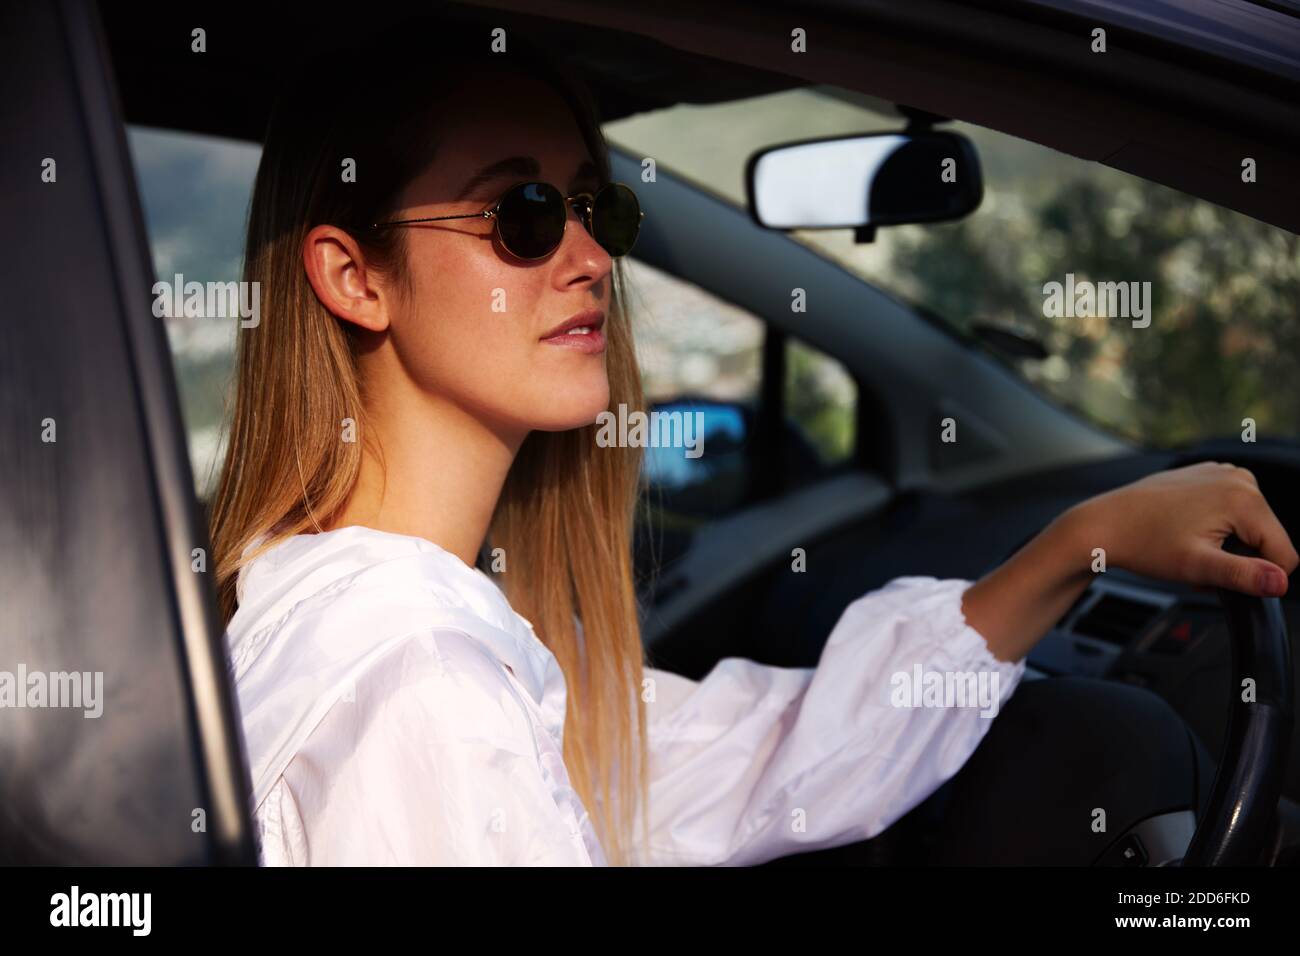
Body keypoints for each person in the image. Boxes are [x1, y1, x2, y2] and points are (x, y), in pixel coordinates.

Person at [212, 28, 1297, 866]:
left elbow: (727, 762)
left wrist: (1076, 544)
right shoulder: (414, 670)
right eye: (524, 212)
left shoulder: (382, 610)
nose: (591, 255)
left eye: (597, 207)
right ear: (354, 277)